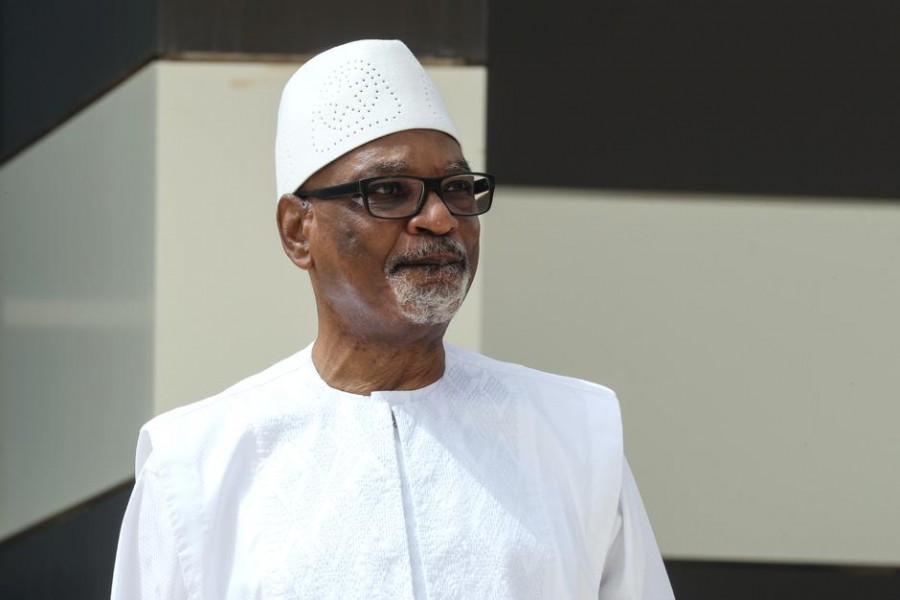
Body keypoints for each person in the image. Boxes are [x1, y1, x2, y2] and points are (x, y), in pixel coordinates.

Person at [111, 39, 675, 599]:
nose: (438, 218)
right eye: (388, 191)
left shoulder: (574, 434)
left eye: (456, 189)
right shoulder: (196, 466)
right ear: (296, 231)